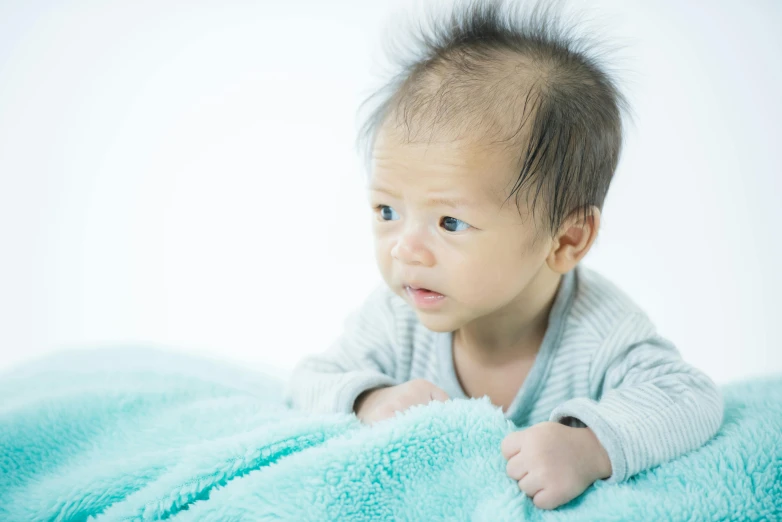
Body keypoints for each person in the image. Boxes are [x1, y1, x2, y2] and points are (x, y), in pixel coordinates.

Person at [283, 0, 723, 511]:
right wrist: (369, 401)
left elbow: (690, 397)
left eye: (449, 222)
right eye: (387, 211)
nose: (404, 248)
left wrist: (588, 445)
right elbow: (309, 381)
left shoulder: (600, 332)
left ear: (565, 241)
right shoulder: (394, 320)